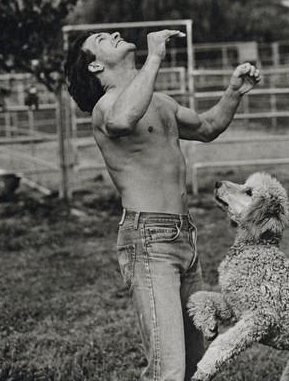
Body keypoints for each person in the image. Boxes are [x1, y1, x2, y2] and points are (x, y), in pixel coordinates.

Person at [64, 28, 261, 381]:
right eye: (101, 39)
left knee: (198, 366)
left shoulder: (162, 102)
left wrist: (234, 91)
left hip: (184, 237)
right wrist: (154, 57)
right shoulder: (106, 107)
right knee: (167, 369)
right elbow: (123, 120)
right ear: (95, 67)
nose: (115, 33)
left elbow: (208, 126)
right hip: (147, 239)